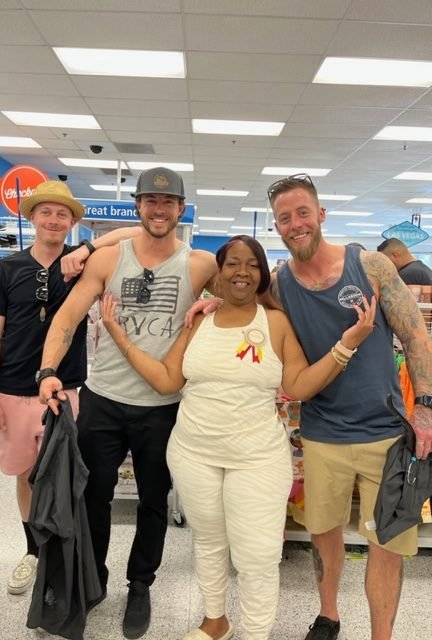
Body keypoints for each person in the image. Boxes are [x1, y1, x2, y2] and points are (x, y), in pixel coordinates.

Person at [98, 235, 376, 640]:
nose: (241, 272)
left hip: (258, 458)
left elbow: (298, 386)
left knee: (257, 555)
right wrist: (117, 333)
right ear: (219, 273)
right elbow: (167, 380)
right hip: (193, 453)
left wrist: (345, 346)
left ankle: (254, 634)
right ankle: (216, 622)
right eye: (232, 263)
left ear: (262, 274)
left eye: (252, 264)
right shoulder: (198, 321)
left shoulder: (275, 323)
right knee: (208, 542)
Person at [37, 167, 218, 639]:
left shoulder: (200, 265)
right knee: (92, 495)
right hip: (105, 400)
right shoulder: (108, 260)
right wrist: (48, 370)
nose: (159, 209)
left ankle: (140, 584)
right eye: (150, 201)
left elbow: (247, 297)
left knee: (155, 500)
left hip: (163, 405)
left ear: (181, 209)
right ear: (138, 205)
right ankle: (92, 577)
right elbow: (67, 318)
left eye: (168, 202)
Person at [264, 174, 432, 640]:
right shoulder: (279, 285)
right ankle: (328, 615)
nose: (295, 224)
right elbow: (235, 295)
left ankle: (382, 635)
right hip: (322, 434)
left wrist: (425, 406)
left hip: (387, 434)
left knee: (387, 544)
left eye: (303, 212)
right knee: (323, 532)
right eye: (284, 218)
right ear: (277, 227)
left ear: (320, 214)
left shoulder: (371, 266)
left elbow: (415, 335)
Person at [0, 180, 140, 596]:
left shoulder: (82, 263)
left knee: (67, 477)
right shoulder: (5, 270)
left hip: (66, 391)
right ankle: (33, 551)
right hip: (12, 391)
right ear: (33, 217)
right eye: (46, 212)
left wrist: (87, 248)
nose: (53, 220)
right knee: (27, 474)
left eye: (62, 214)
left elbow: (137, 231)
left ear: (71, 222)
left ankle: (61, 557)